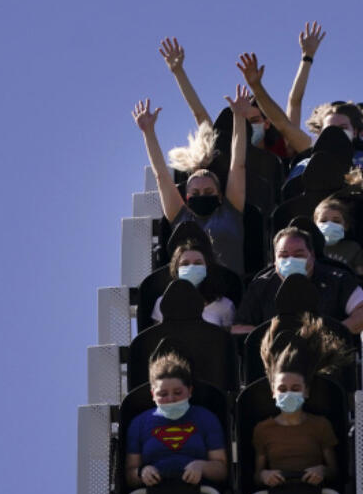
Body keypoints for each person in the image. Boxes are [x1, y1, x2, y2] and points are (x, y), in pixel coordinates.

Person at [252, 315, 351, 494]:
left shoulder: (320, 425)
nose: (289, 394)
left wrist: (321, 471)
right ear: (273, 393)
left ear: (306, 391)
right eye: (283, 389)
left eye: (295, 389)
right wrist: (264, 475)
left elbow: (334, 470)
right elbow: (256, 473)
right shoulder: (263, 429)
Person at [236, 39, 363, 160]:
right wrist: (256, 87)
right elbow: (283, 124)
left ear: (358, 132)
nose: (336, 133)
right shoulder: (312, 149)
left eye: (343, 128)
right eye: (331, 129)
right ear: (319, 133)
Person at [157, 24, 326, 159]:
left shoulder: (285, 146)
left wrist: (307, 57)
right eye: (244, 121)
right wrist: (178, 71)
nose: (249, 127)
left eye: (253, 120)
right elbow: (200, 115)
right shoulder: (227, 151)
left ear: (267, 123)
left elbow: (294, 101)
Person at [132, 89, 251, 275]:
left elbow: (238, 165)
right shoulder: (181, 219)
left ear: (220, 195)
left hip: (228, 294)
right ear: (187, 197)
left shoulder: (231, 211)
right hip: (189, 294)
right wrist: (148, 133)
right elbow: (161, 176)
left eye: (208, 192)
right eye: (195, 194)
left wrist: (239, 118)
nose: (202, 196)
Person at [124, 352, 227, 494]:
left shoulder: (205, 418)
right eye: (163, 394)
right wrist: (142, 473)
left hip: (197, 493)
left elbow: (221, 468)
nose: (170, 399)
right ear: (153, 394)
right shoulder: (139, 424)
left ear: (190, 391)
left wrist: (202, 467)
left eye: (177, 393)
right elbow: (129, 473)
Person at [231, 226, 363, 335]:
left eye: (299, 254)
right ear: (274, 260)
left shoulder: (337, 280)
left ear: (312, 255)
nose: (290, 259)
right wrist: (273, 335)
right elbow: (238, 328)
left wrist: (328, 334)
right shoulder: (261, 286)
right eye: (283, 255)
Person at [151, 240, 236, 329]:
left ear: (207, 268)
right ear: (177, 269)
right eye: (185, 264)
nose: (191, 267)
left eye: (198, 263)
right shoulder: (162, 303)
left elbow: (227, 339)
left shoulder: (225, 305)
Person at [313, 196, 363, 276]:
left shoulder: (353, 248)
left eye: (336, 221)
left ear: (346, 226)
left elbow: (362, 278)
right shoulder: (309, 247)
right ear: (315, 225)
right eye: (323, 221)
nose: (329, 225)